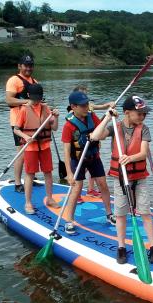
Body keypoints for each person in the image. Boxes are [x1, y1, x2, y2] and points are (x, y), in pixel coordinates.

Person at [90, 95, 153, 265]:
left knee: (145, 212)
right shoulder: (116, 127)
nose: (142, 117)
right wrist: (108, 116)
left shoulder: (144, 129)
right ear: (127, 113)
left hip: (139, 178)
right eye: (139, 113)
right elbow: (95, 136)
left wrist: (130, 158)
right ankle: (121, 247)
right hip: (120, 178)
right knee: (121, 214)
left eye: (144, 114)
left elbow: (144, 153)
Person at [60, 91, 115, 234]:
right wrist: (69, 173)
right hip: (77, 160)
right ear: (73, 106)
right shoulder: (69, 126)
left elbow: (100, 130)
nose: (86, 108)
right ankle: (69, 220)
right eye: (83, 105)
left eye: (87, 104)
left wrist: (108, 116)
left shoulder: (91, 116)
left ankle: (109, 214)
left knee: (103, 184)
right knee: (76, 189)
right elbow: (66, 151)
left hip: (93, 157)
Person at [12, 84, 60, 214]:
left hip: (44, 146)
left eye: (39, 98)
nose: (37, 101)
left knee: (48, 172)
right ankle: (28, 202)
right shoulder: (23, 110)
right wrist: (25, 137)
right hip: (30, 148)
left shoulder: (46, 108)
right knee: (30, 173)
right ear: (28, 96)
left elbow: (54, 128)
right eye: (34, 98)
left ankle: (50, 198)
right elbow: (16, 130)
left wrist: (56, 117)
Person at [68, 84, 115, 197]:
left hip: (92, 143)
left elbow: (102, 107)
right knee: (81, 170)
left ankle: (90, 189)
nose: (85, 97)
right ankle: (76, 193)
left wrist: (110, 104)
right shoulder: (73, 112)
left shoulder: (89, 106)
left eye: (86, 94)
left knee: (93, 165)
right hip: (80, 147)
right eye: (83, 94)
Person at [5, 55, 40, 193]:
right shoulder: (14, 80)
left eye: (31, 65)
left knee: (33, 152)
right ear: (19, 66)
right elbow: (9, 101)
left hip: (32, 122)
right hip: (18, 123)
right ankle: (18, 183)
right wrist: (27, 102)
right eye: (26, 65)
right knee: (21, 153)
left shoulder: (34, 81)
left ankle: (31, 178)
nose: (28, 68)